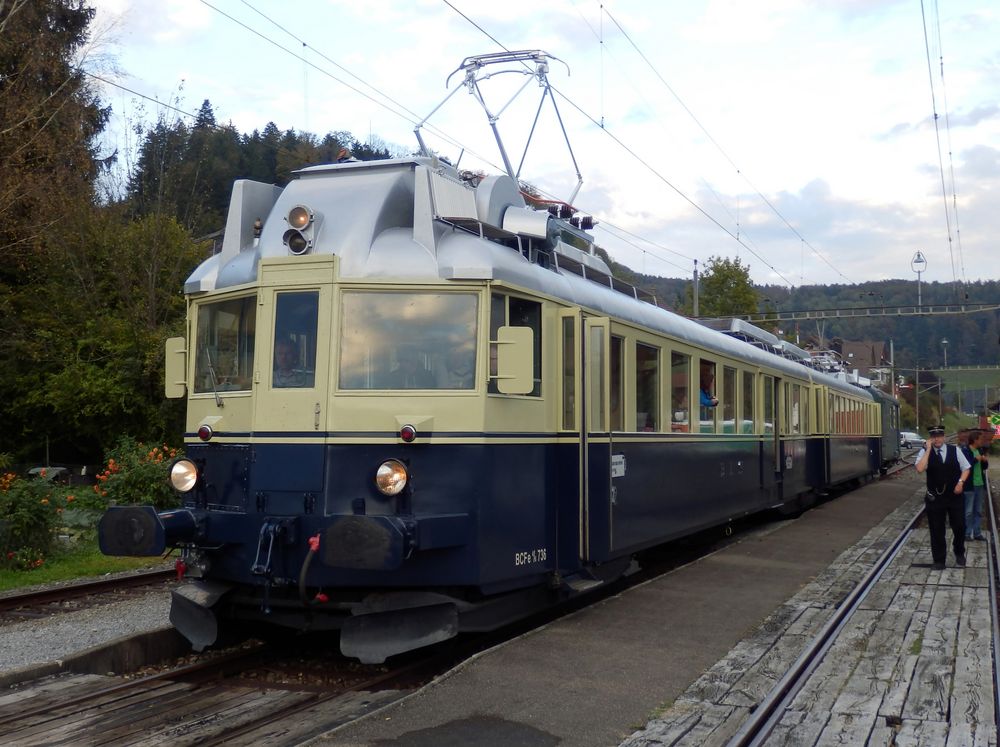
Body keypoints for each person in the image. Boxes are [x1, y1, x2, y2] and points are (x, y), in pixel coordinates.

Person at [915, 425, 971, 570]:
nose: (937, 439)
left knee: (959, 525)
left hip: (954, 496)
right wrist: (927, 449)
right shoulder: (925, 452)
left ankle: (959, 551)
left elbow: (966, 468)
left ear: (944, 437)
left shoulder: (955, 450)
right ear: (930, 438)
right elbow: (920, 469)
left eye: (939, 436)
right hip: (935, 498)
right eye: (934, 436)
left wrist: (961, 482)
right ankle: (939, 560)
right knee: (936, 529)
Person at [966, 430, 988, 541]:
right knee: (969, 511)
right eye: (980, 439)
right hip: (970, 485)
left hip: (980, 484)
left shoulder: (980, 450)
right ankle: (967, 533)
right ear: (975, 440)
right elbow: (965, 466)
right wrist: (976, 459)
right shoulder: (966, 450)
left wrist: (984, 461)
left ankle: (977, 533)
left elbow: (984, 467)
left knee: (978, 510)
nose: (982, 441)